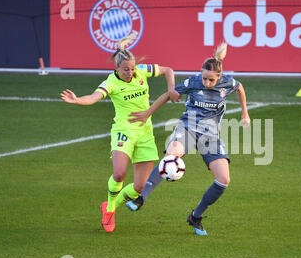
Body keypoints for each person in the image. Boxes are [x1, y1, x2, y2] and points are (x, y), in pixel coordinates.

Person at [126, 42, 250, 235]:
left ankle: (196, 216)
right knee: (171, 157)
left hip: (210, 135)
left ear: (219, 77)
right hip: (188, 128)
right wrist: (148, 112)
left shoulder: (228, 82)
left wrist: (245, 113)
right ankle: (141, 198)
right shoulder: (193, 82)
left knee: (223, 179)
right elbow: (170, 94)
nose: (206, 83)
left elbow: (240, 88)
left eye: (210, 80)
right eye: (204, 78)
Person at [60, 36, 177, 233]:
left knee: (139, 187)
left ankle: (110, 207)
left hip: (145, 134)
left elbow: (168, 70)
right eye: (126, 70)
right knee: (119, 173)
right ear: (117, 69)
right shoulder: (111, 82)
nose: (130, 73)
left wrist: (171, 88)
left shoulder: (142, 71)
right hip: (124, 132)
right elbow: (94, 97)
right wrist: (78, 100)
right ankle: (110, 208)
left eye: (132, 68)